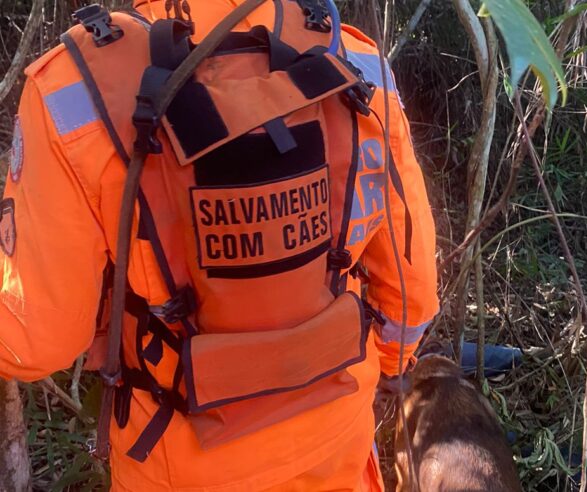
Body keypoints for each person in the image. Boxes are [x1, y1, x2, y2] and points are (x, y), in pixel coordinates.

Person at [0, 1, 438, 490]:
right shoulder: (353, 57)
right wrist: (382, 364)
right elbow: (411, 288)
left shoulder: (73, 87)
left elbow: (36, 341)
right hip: (336, 445)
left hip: (176, 463)